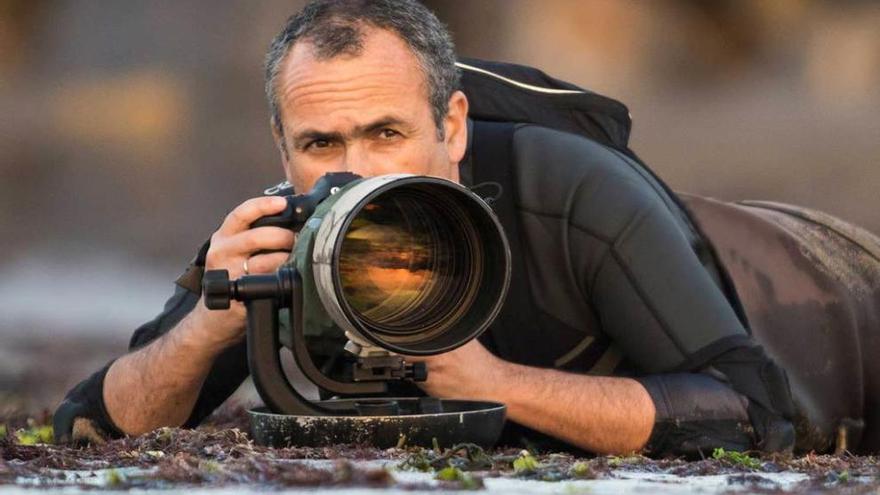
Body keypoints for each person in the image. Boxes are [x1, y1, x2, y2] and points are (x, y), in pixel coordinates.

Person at [54, 0, 880, 456]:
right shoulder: (284, 223)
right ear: (285, 146)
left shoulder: (568, 189)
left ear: (451, 126)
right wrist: (206, 326)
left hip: (816, 289)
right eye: (321, 143)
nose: (356, 169)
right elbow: (85, 425)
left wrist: (494, 382)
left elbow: (756, 412)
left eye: (386, 133)